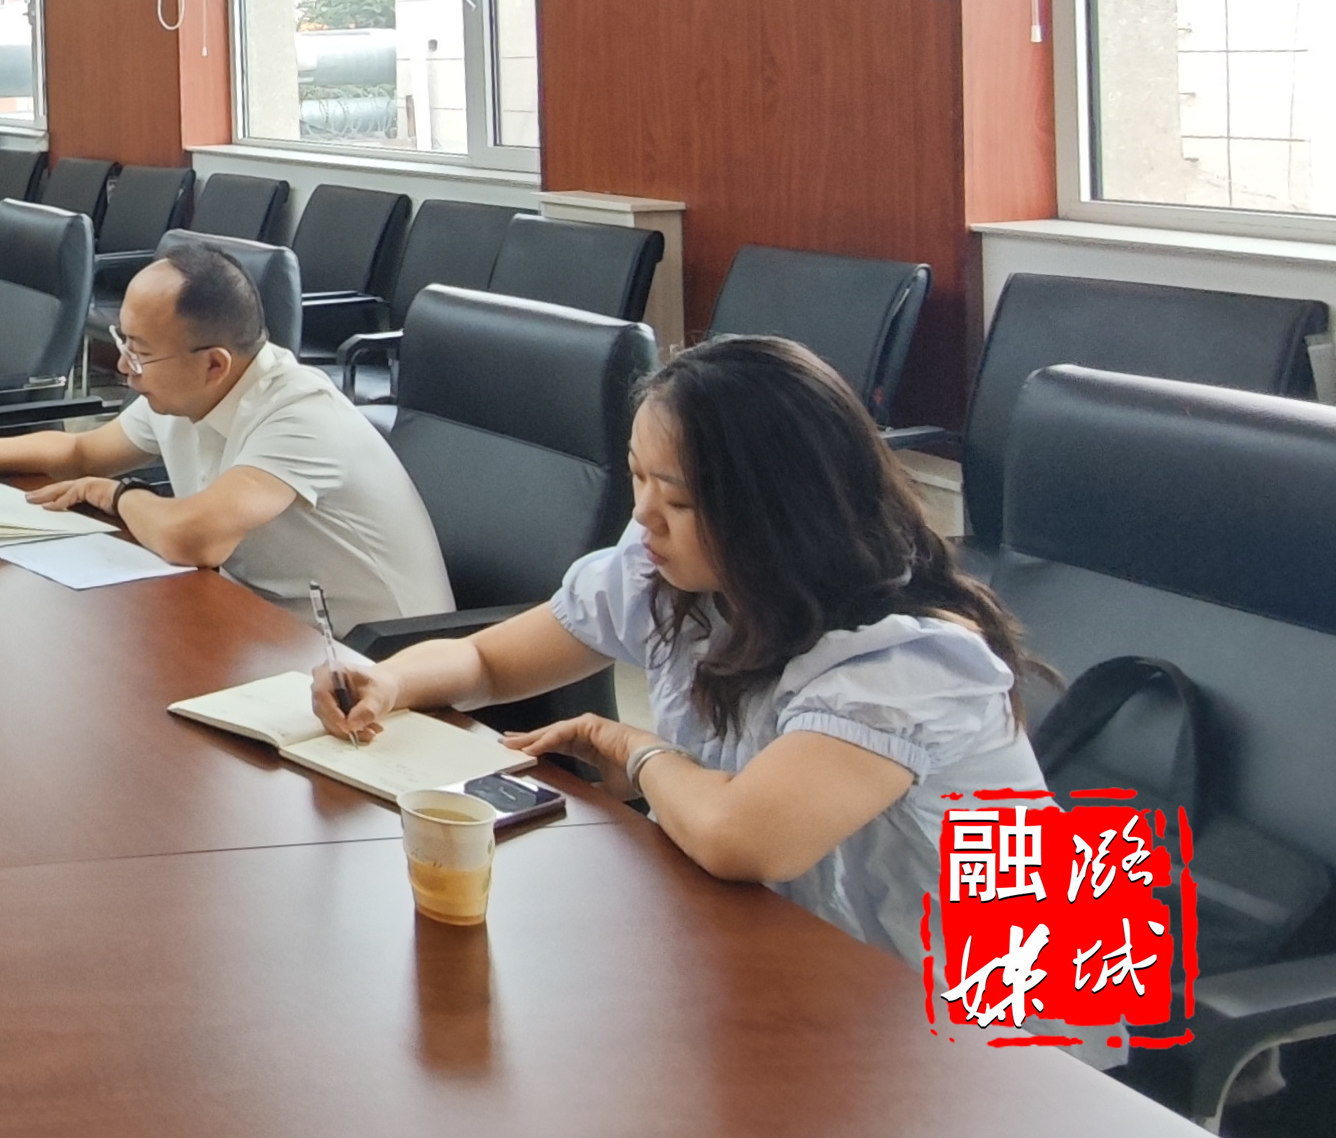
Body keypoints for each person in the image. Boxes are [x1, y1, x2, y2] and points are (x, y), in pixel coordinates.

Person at [315, 333, 1047, 966]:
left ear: (777, 510)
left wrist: (634, 748)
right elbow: (489, 662)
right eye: (637, 477)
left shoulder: (908, 663)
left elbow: (739, 838)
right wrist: (388, 680)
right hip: (787, 957)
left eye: (679, 499)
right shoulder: (673, 574)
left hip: (981, 1024)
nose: (643, 515)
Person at [0, 243, 453, 632]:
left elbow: (194, 539)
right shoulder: (182, 392)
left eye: (139, 353)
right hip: (266, 622)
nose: (124, 368)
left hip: (377, 659)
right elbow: (82, 452)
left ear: (214, 364)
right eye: (124, 342)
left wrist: (118, 495)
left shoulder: (300, 413)